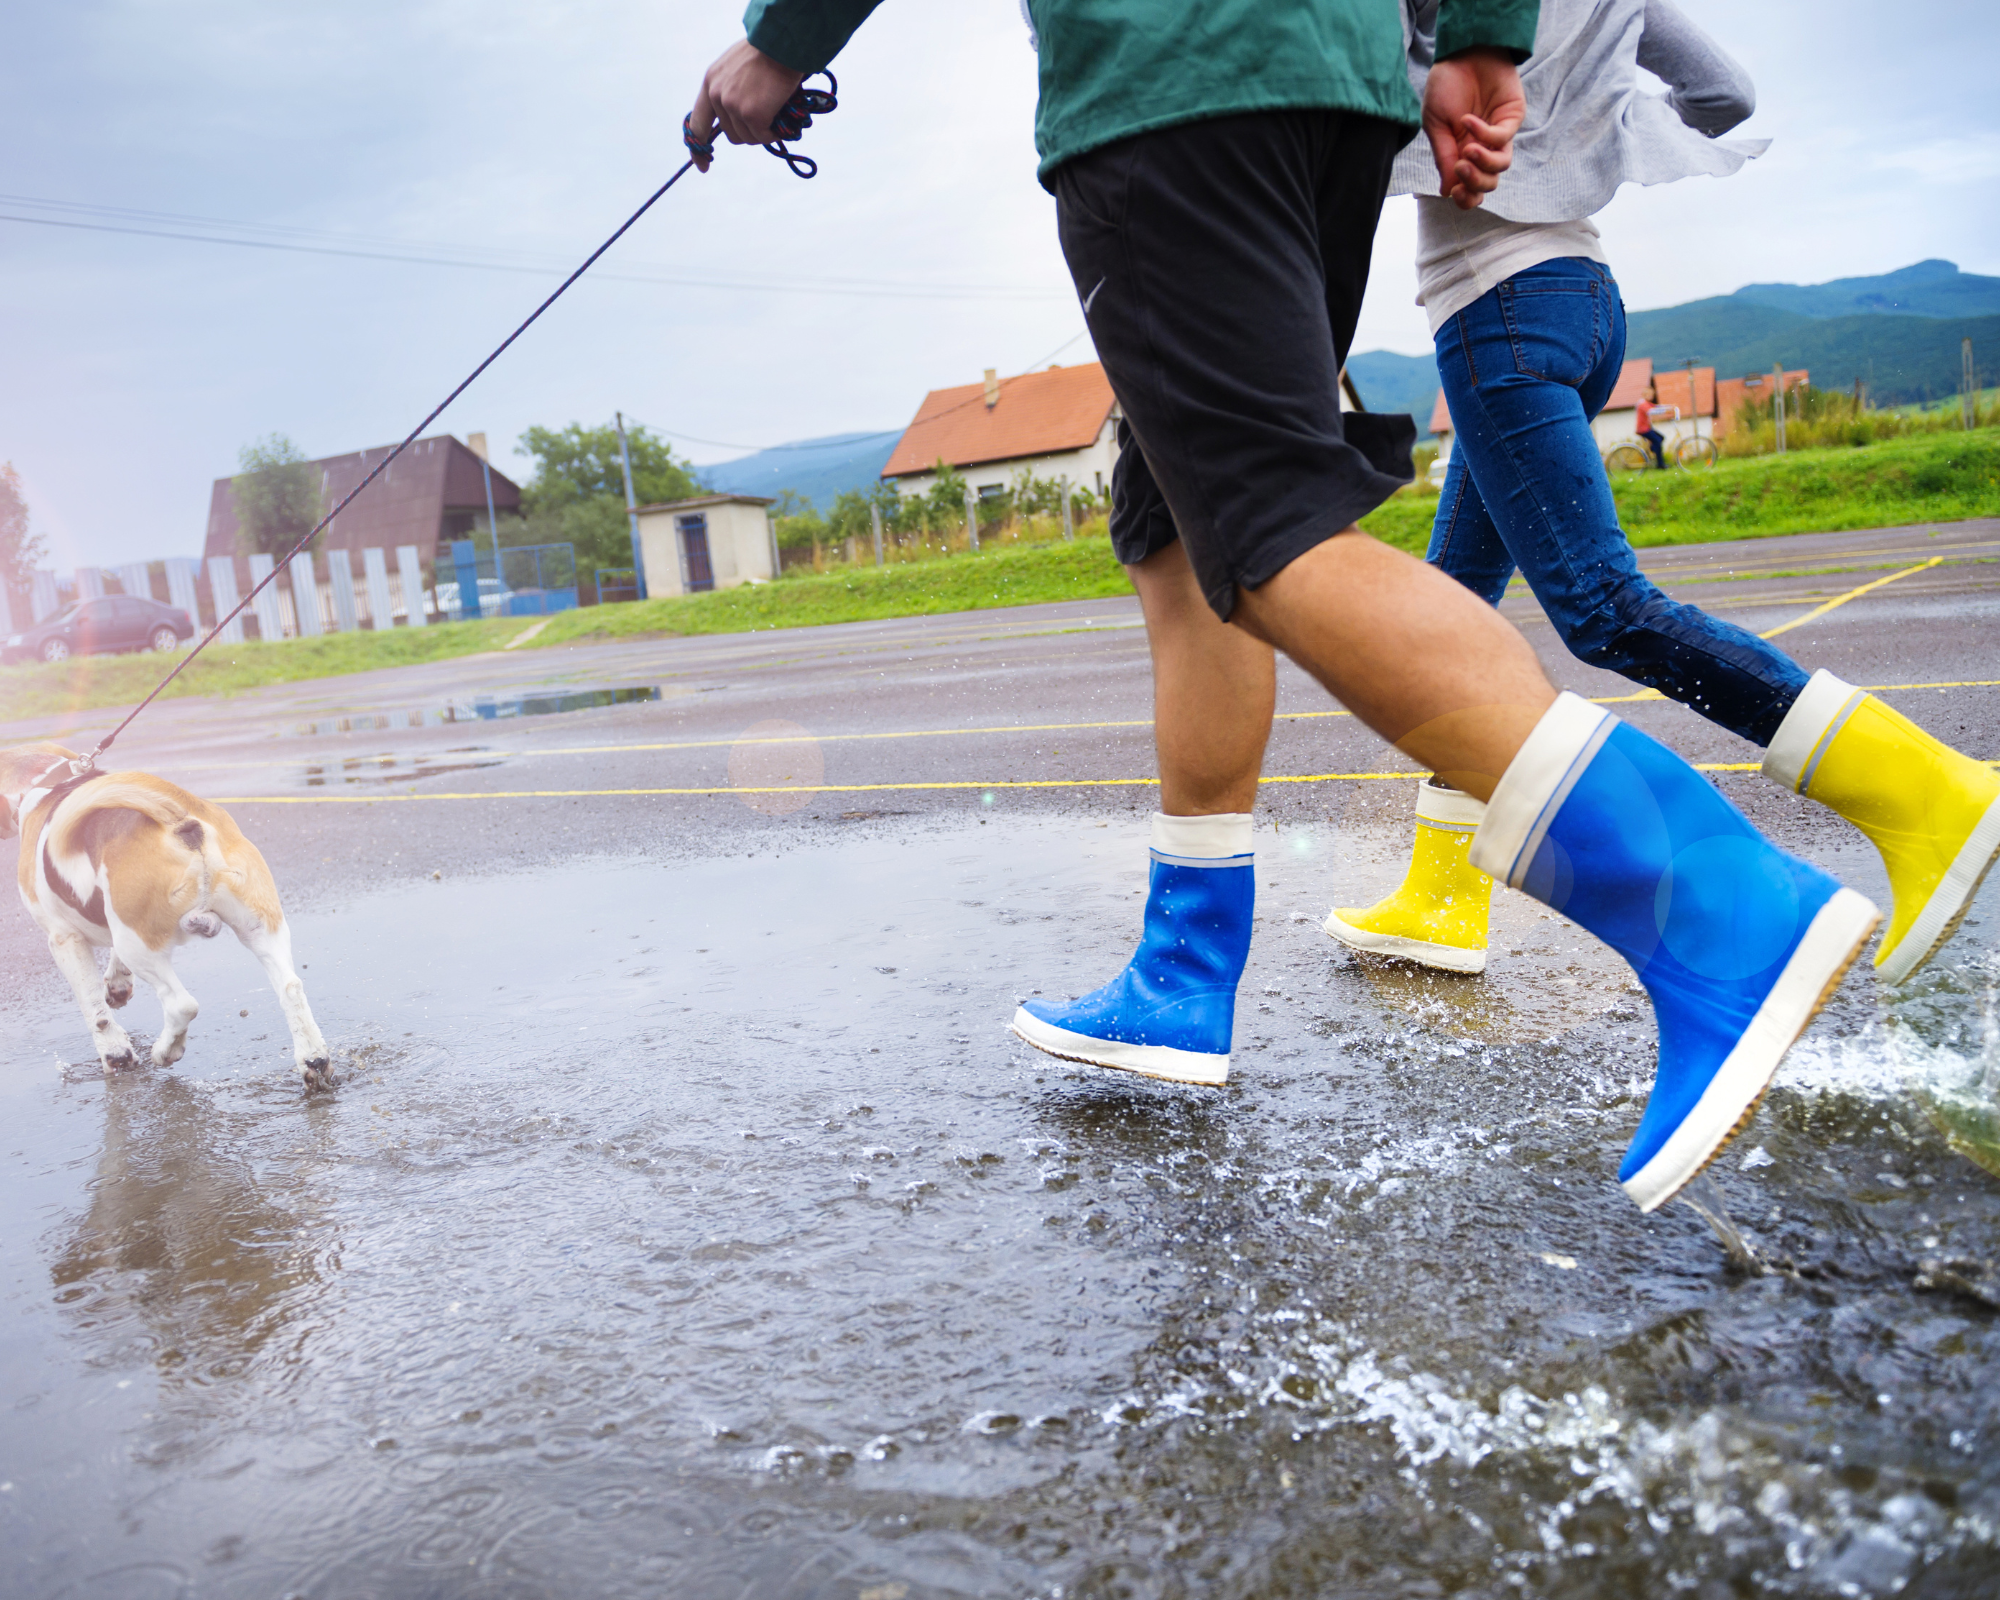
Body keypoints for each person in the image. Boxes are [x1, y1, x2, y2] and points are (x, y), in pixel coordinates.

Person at [686, 1, 1883, 1215]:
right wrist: (1473, 35)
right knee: (1175, 527)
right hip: (1332, 87)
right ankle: (1183, 970)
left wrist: (784, 38)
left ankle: (1719, 905)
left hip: (1176, 73)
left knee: (1268, 530)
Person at [1323, 0, 2000, 996]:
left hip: (1492, 310)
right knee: (1452, 614)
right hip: (1584, 302)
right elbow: (1723, 94)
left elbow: (1351, 104)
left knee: (1601, 607)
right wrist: (1576, 124)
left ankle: (1926, 791)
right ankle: (1440, 895)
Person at [1634, 392, 1673, 468]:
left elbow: (1657, 407)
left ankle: (1653, 450)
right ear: (1644, 395)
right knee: (1657, 441)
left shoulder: (1647, 403)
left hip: (1646, 428)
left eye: (1651, 395)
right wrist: (1666, 411)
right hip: (1643, 429)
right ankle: (1660, 464)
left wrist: (1669, 407)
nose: (1650, 397)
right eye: (1648, 395)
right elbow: (1652, 411)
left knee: (1661, 438)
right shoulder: (1642, 404)